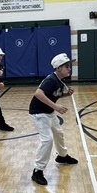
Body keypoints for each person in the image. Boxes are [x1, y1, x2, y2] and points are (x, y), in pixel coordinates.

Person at [29, 53, 79, 186]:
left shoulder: (59, 81)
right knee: (47, 139)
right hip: (39, 113)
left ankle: (62, 156)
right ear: (58, 68)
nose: (69, 68)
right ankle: (37, 171)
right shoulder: (51, 79)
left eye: (69, 66)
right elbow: (38, 93)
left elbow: (53, 95)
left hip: (48, 112)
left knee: (59, 134)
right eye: (66, 66)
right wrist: (56, 107)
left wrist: (65, 95)